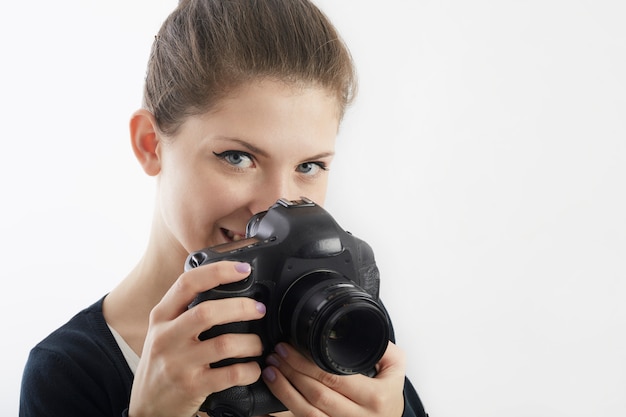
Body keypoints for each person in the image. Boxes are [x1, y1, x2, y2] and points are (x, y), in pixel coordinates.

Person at [19, 1, 428, 416]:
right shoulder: (69, 372)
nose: (275, 205)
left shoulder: (338, 327)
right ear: (150, 144)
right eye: (237, 157)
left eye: (309, 166)